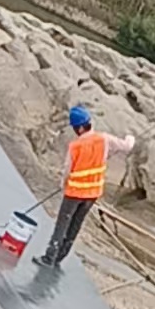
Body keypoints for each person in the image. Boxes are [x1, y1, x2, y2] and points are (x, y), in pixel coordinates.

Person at [34, 106, 134, 267]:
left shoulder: (76, 146)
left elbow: (67, 170)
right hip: (92, 194)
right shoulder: (104, 139)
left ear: (80, 128)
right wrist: (130, 138)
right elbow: (127, 146)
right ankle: (60, 257)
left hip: (74, 193)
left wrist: (63, 185)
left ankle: (49, 257)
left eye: (75, 127)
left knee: (62, 224)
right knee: (75, 225)